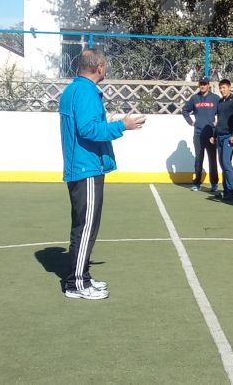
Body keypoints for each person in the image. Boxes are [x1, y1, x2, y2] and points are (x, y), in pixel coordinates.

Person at [59, 49, 145, 299]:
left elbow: (87, 124)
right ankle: (76, 283)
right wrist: (122, 126)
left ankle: (81, 277)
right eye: (105, 65)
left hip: (82, 167)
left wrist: (108, 122)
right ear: (98, 67)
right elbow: (87, 130)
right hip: (86, 168)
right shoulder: (85, 91)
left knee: (84, 226)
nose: (106, 69)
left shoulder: (75, 90)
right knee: (86, 227)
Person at [182, 77, 219, 192]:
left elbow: (222, 112)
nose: (202, 86)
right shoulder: (194, 98)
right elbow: (185, 110)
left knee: (212, 159)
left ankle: (214, 183)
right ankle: (196, 183)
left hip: (211, 134)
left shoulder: (215, 98)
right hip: (198, 134)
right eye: (201, 84)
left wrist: (218, 123)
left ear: (209, 85)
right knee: (199, 158)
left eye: (205, 84)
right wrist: (191, 122)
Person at [211, 79, 233, 200]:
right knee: (222, 163)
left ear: (229, 87)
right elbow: (219, 120)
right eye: (220, 88)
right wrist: (214, 135)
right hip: (219, 136)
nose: (222, 90)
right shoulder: (220, 102)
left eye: (224, 87)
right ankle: (226, 190)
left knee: (226, 162)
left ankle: (232, 192)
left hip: (229, 136)